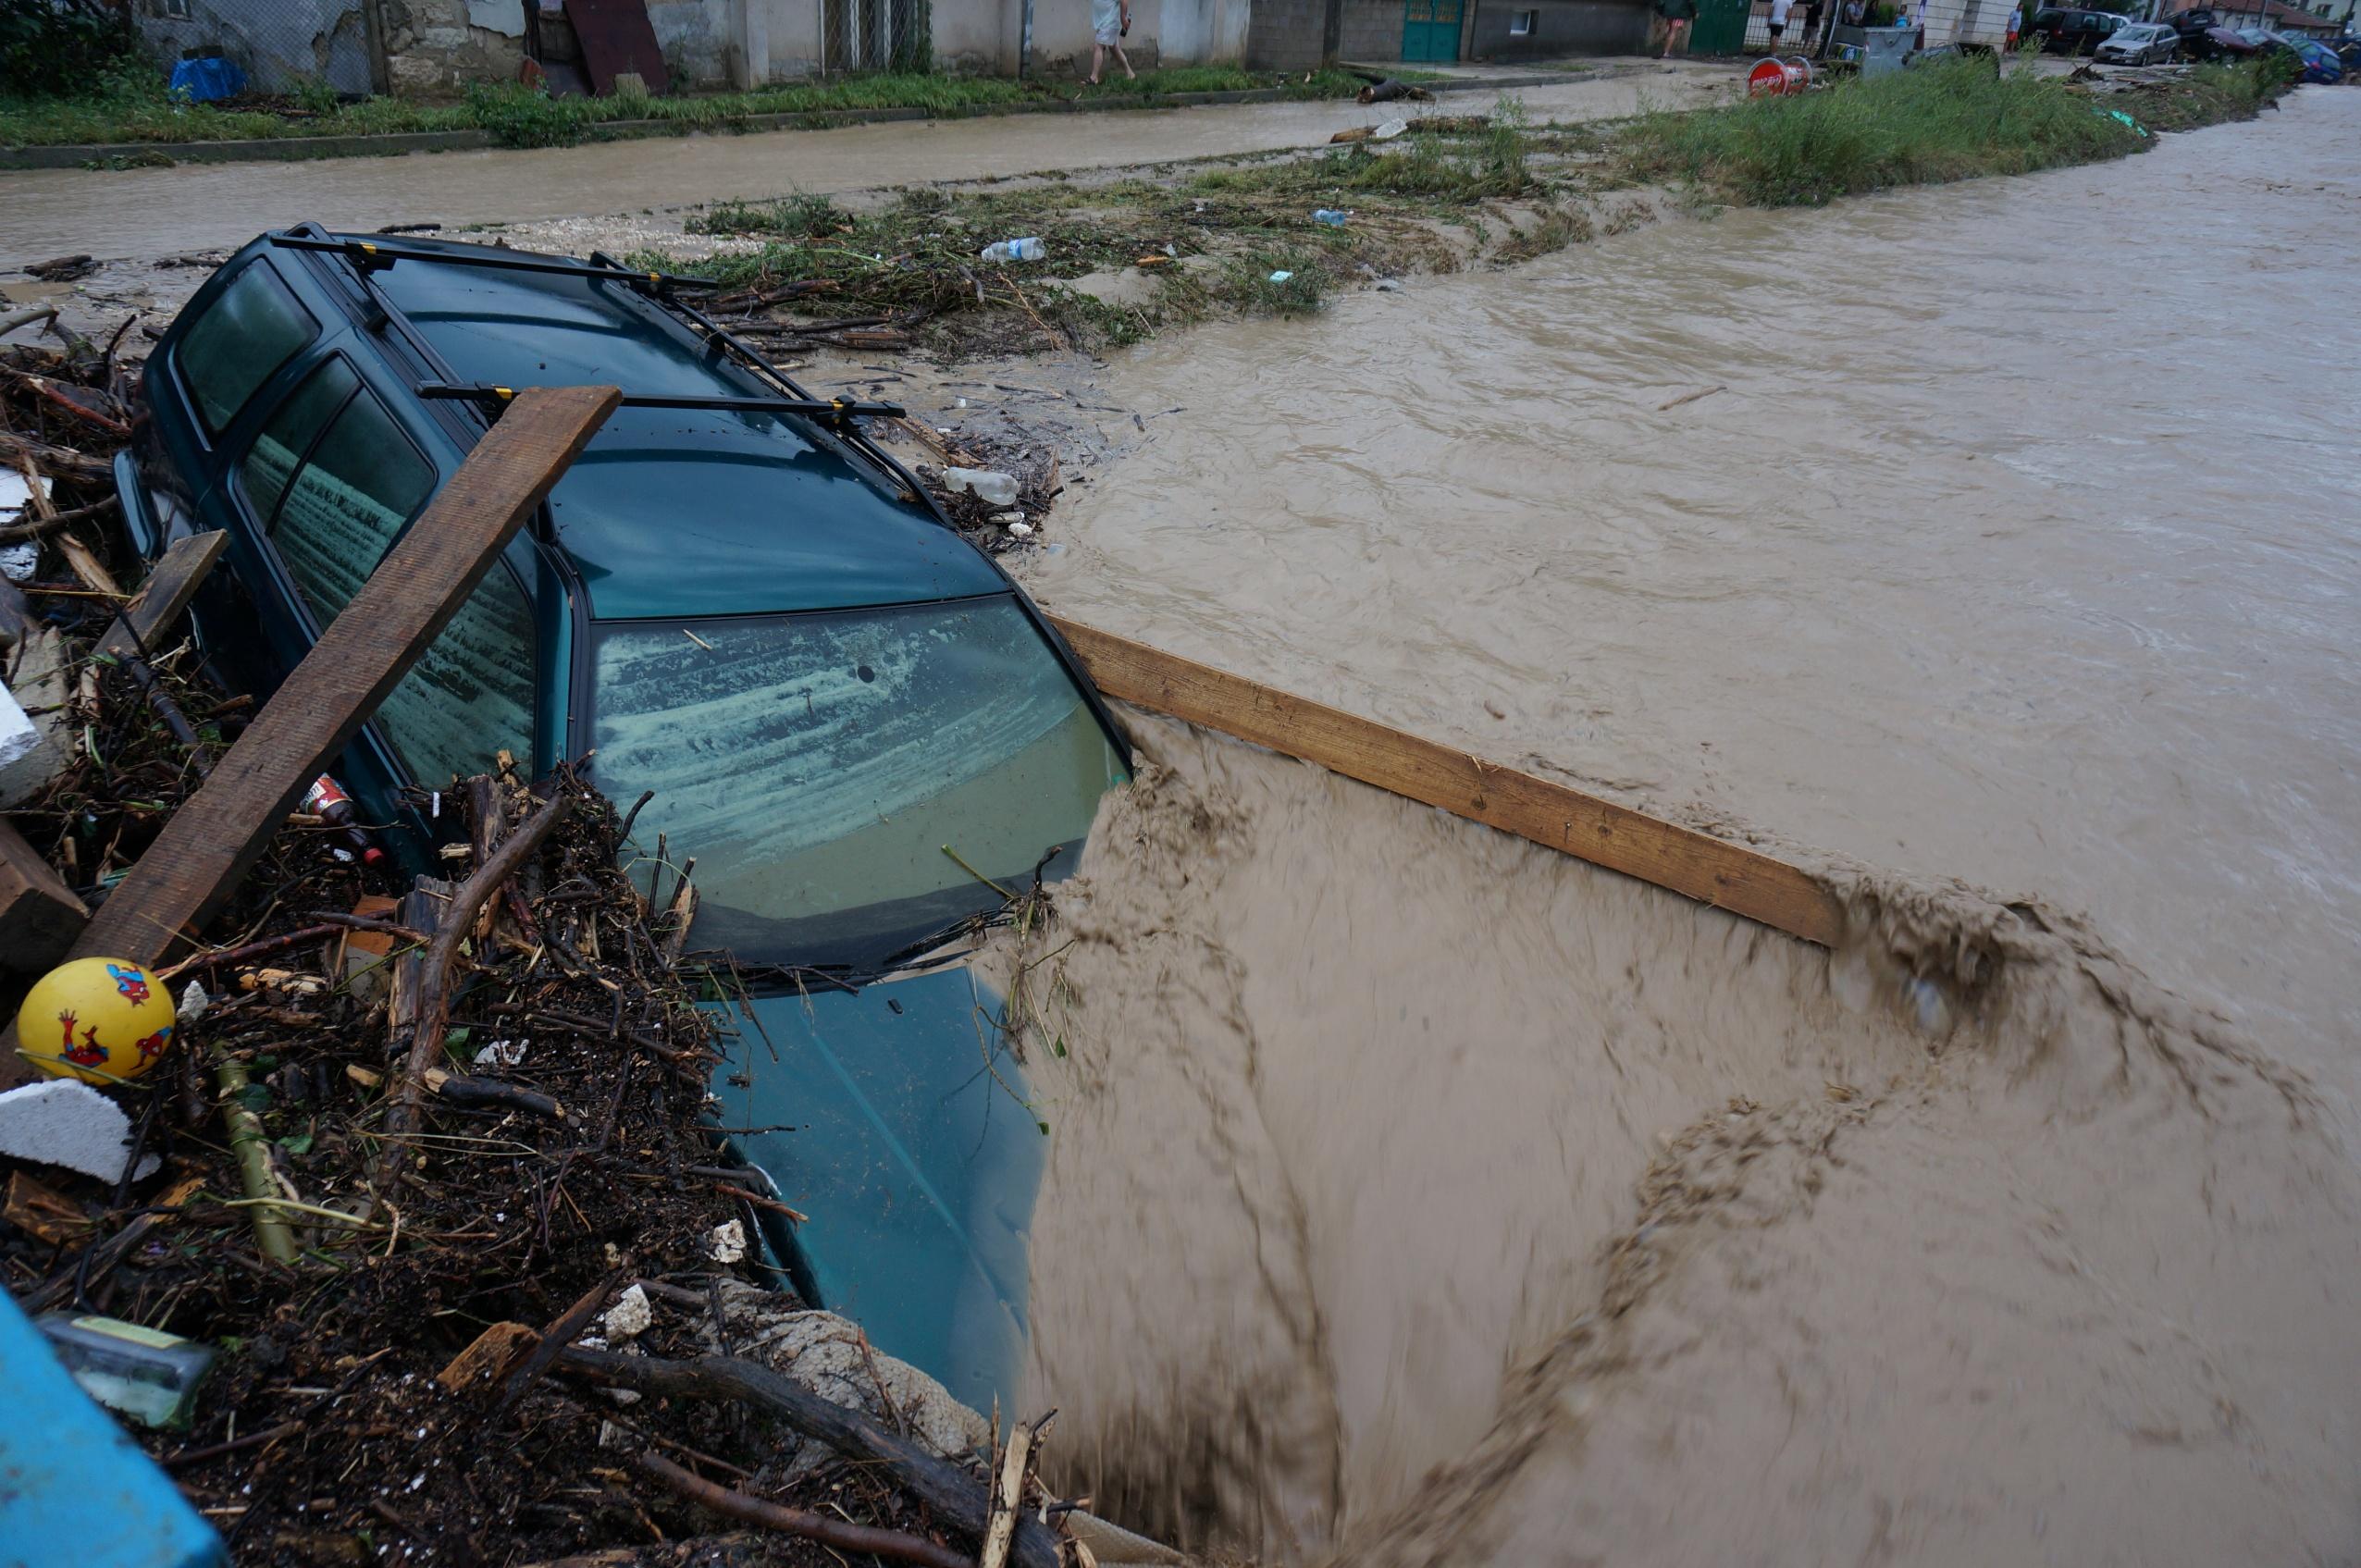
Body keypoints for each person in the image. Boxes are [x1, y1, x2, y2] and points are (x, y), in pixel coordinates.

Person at [1089, 0, 1135, 84]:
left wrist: (1123, 17)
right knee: (1114, 49)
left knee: (1098, 46)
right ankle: (1130, 74)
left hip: (1109, 23)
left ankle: (1094, 78)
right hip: (1104, 23)